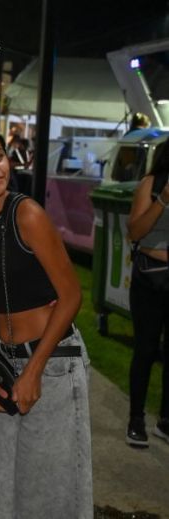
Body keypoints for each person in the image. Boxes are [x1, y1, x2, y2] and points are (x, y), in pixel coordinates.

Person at [0, 125, 92, 518]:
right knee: (5, 493)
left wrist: (35, 370)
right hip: (3, 363)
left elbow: (72, 295)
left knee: (48, 494)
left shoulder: (27, 214)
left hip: (53, 363)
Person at [125, 143, 169, 447]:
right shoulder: (151, 185)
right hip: (151, 279)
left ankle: (165, 420)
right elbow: (135, 232)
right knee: (145, 350)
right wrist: (163, 201)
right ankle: (136, 419)